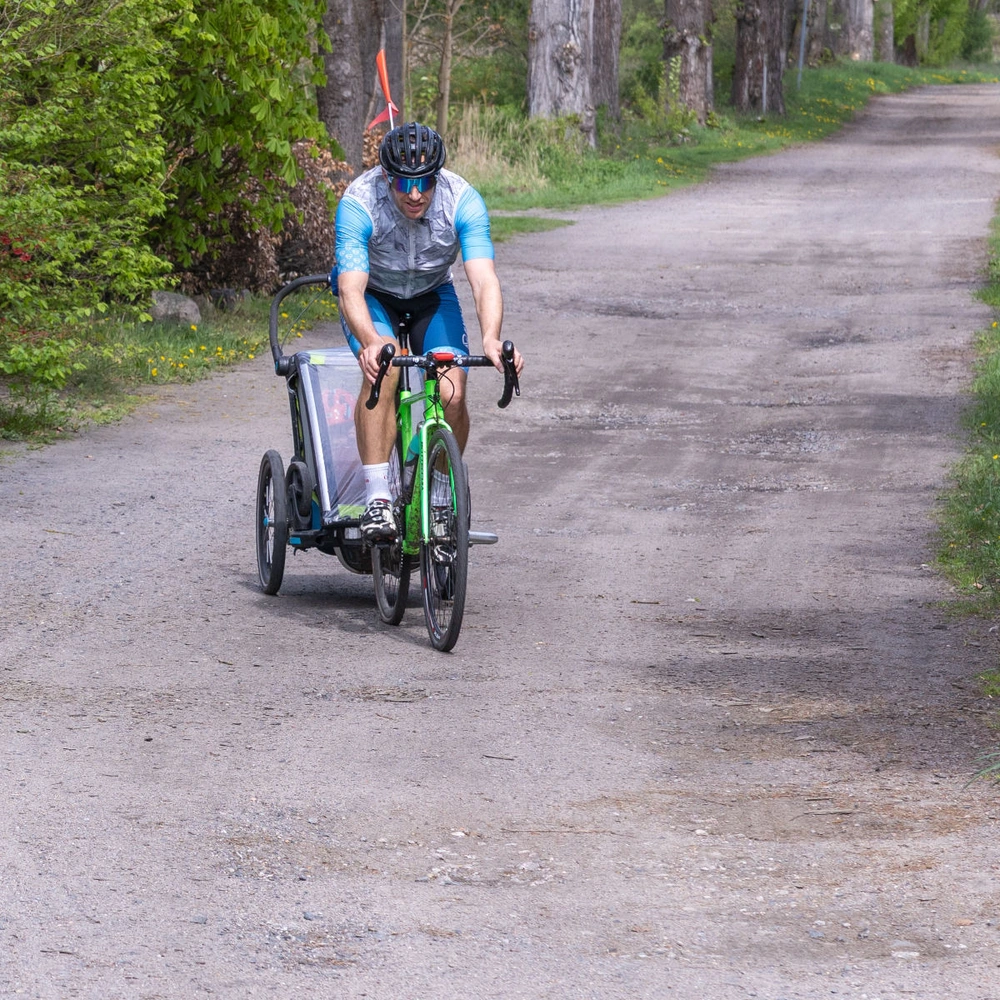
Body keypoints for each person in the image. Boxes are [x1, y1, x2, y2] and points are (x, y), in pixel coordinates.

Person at [333, 121, 523, 541]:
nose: (415, 194)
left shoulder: (463, 201)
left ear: (439, 176)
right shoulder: (359, 203)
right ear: (386, 177)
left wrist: (491, 337)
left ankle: (439, 496)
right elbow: (350, 289)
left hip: (431, 293)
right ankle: (378, 498)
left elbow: (483, 280)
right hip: (375, 297)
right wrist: (371, 341)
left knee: (451, 386)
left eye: (425, 182)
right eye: (403, 182)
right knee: (386, 369)